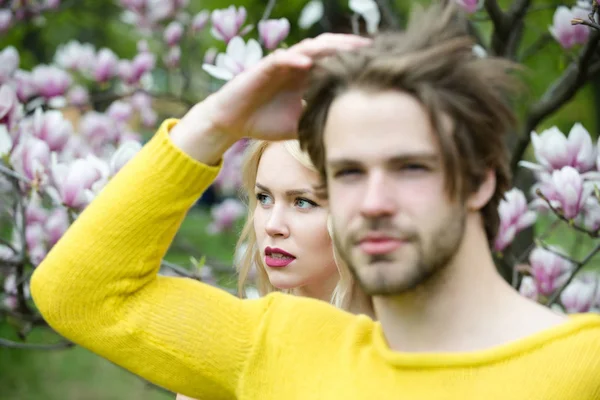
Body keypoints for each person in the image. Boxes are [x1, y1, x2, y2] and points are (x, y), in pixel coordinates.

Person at [30, 4, 600, 399]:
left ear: (478, 180)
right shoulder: (283, 346)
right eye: (347, 173)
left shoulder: (583, 367)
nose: (373, 201)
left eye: (410, 167)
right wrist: (216, 122)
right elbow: (80, 295)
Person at [177, 140, 373, 400]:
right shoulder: (229, 350)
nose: (272, 225)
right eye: (264, 198)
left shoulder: (416, 352)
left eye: (302, 202)